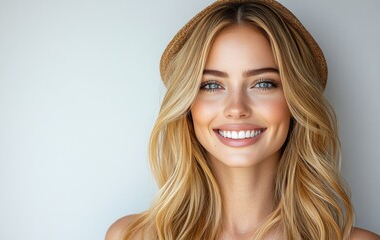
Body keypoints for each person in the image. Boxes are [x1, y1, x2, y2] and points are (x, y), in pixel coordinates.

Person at [106, 1, 380, 239]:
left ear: (296, 102)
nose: (236, 108)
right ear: (187, 107)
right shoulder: (130, 236)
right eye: (212, 85)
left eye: (263, 84)